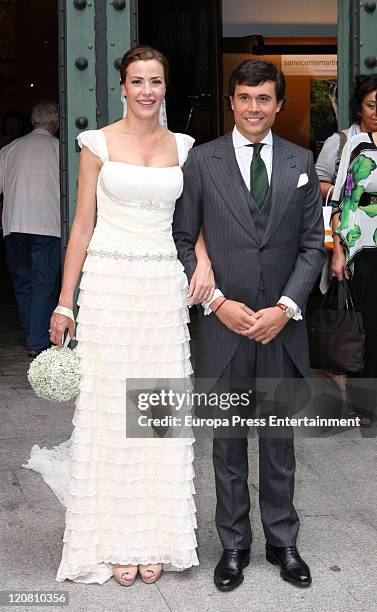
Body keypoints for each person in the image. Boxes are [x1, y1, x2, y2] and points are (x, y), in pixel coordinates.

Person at [23, 46, 215, 586]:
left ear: (164, 87)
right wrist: (65, 301)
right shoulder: (96, 144)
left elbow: (191, 220)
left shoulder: (183, 146)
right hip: (109, 286)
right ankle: (110, 540)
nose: (147, 90)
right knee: (111, 411)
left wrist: (201, 260)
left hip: (161, 287)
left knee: (156, 412)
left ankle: (156, 535)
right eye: (137, 81)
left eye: (156, 81)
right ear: (123, 87)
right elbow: (81, 226)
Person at [173, 59, 325, 591]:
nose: (254, 108)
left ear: (278, 104)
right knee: (228, 444)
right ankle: (233, 545)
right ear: (231, 101)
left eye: (264, 98)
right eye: (245, 97)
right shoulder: (202, 161)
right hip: (224, 326)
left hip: (281, 328)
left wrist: (285, 307)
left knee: (279, 445)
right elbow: (180, 237)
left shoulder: (301, 161)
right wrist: (215, 301)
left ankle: (283, 542)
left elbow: (312, 245)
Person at [0, 101, 60, 357]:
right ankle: (37, 342)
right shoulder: (60, 149)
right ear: (56, 123)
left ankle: (30, 333)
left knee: (23, 282)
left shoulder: (10, 149)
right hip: (48, 224)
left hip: (13, 224)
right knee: (44, 283)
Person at [331, 121, 377, 427]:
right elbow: (342, 198)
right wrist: (338, 249)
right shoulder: (358, 144)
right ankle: (365, 405)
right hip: (364, 243)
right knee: (368, 324)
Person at [316, 74, 377, 200]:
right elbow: (317, 184)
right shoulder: (339, 141)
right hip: (347, 217)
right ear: (359, 109)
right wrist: (345, 192)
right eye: (371, 106)